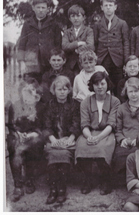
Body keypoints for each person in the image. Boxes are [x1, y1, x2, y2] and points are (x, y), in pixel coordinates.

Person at [75, 71, 120, 195]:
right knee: (82, 146)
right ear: (92, 86)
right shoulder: (85, 102)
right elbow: (84, 124)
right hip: (89, 132)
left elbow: (111, 124)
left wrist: (99, 137)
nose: (100, 87)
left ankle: (106, 181)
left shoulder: (114, 101)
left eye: (102, 83)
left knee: (102, 147)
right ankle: (87, 180)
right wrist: (89, 137)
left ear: (107, 84)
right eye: (96, 84)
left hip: (106, 133)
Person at [43, 76, 80, 204]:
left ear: (69, 90)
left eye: (65, 89)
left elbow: (76, 124)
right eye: (59, 89)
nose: (62, 92)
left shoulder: (75, 104)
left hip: (69, 138)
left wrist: (71, 138)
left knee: (63, 154)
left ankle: (62, 189)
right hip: (54, 139)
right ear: (54, 90)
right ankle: (53, 189)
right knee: (53, 153)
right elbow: (46, 125)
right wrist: (53, 140)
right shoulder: (49, 105)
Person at [6, 78, 45, 202]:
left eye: (32, 89)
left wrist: (31, 135)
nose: (28, 92)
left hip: (34, 134)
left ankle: (29, 179)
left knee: (33, 144)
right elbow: (11, 125)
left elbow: (42, 127)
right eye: (25, 89)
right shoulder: (15, 105)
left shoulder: (40, 106)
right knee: (14, 145)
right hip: (17, 134)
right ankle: (18, 185)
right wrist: (18, 134)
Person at [17, 0, 62, 82]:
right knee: (31, 89)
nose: (40, 10)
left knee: (48, 87)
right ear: (33, 8)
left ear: (48, 9)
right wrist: (22, 62)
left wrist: (56, 61)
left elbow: (58, 45)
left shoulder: (54, 24)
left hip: (49, 63)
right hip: (31, 63)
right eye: (38, 7)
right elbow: (22, 44)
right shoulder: (27, 24)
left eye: (43, 7)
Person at [93, 0, 129, 93]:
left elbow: (125, 42)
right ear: (102, 8)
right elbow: (95, 42)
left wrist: (126, 61)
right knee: (103, 84)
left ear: (115, 7)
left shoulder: (122, 23)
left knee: (118, 85)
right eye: (106, 5)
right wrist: (96, 58)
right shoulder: (98, 24)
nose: (108, 7)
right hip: (103, 58)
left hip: (117, 59)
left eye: (110, 5)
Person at [113, 77, 139, 175]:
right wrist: (122, 140)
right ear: (126, 92)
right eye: (130, 91)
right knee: (119, 155)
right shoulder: (121, 108)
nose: (133, 94)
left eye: (136, 91)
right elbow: (118, 129)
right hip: (125, 141)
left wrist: (138, 140)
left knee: (137, 154)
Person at [62, 4, 95, 75]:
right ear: (69, 18)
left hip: (85, 63)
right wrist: (78, 43)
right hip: (70, 64)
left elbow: (90, 46)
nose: (76, 18)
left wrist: (77, 50)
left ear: (83, 17)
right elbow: (64, 46)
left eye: (78, 16)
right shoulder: (67, 32)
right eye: (73, 16)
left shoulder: (88, 30)